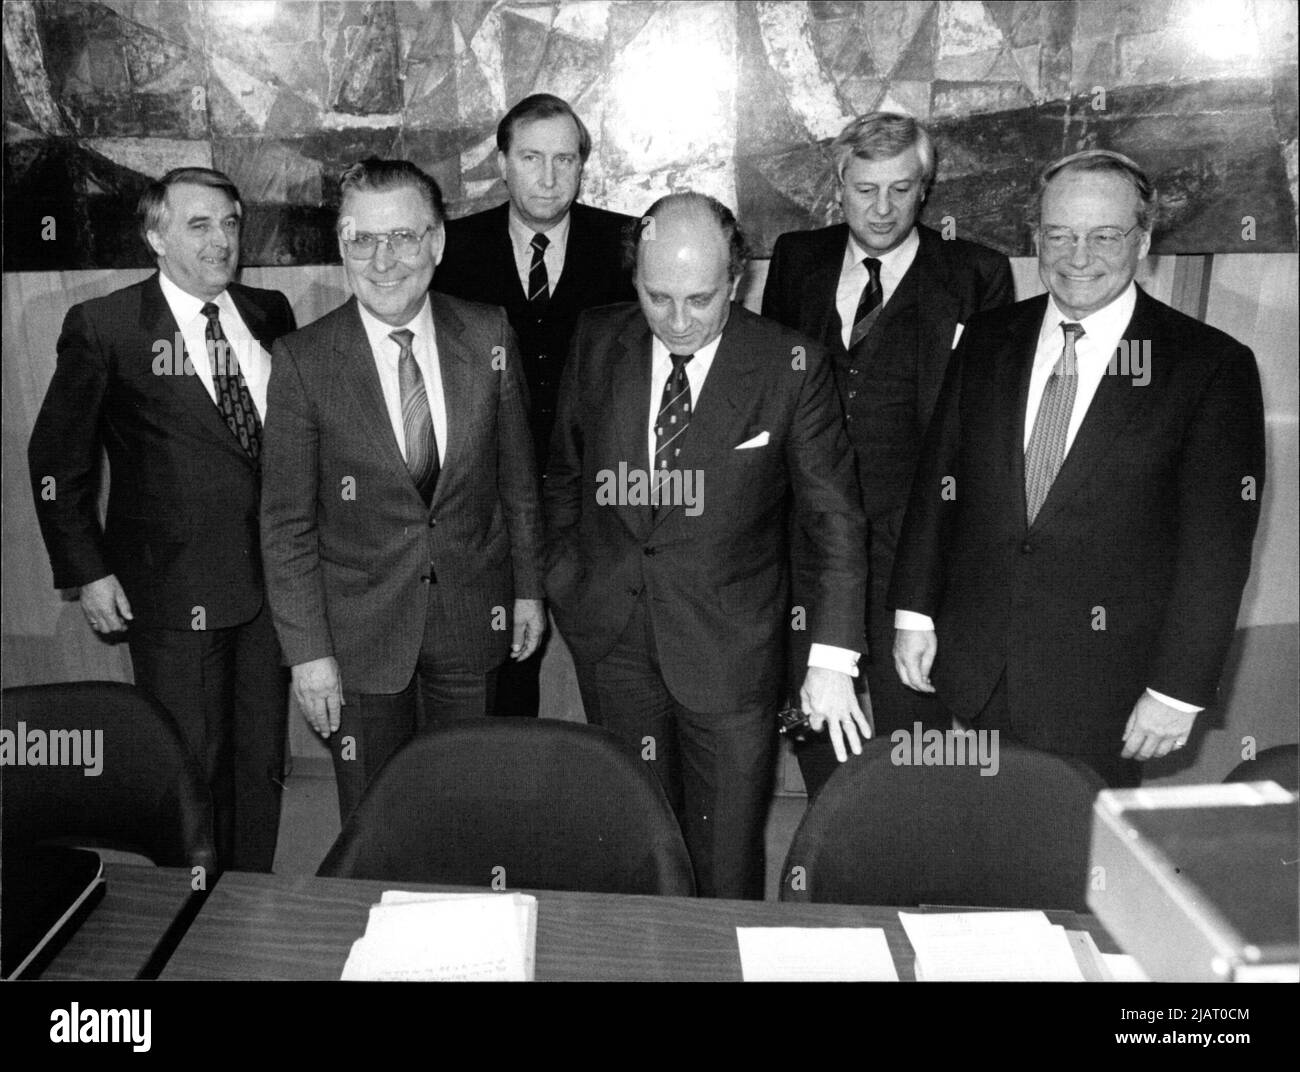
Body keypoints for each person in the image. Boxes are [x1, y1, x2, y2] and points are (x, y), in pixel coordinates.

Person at [889, 149, 1265, 788]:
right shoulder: (986, 338)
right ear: (1036, 237)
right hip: (976, 671)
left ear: (1143, 241)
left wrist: (1178, 690)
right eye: (1058, 235)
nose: (1077, 256)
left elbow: (1217, 551)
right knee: (979, 860)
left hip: (1105, 692)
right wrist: (914, 614)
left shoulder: (1207, 367)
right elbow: (938, 489)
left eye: (1104, 236)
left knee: (1074, 874)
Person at [544, 192, 869, 898]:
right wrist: (566, 581)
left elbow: (834, 521)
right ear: (634, 282)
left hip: (730, 649)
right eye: (657, 298)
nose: (679, 321)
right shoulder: (599, 340)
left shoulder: (791, 364)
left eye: (700, 298)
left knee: (724, 851)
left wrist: (833, 657)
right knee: (638, 837)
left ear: (737, 279)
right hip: (615, 639)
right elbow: (564, 476)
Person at [28, 166, 296, 872]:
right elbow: (58, 460)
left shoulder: (269, 313)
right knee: (194, 761)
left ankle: (251, 892)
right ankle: (197, 905)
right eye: (199, 225)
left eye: (231, 223)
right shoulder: (107, 326)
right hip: (172, 591)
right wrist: (87, 572)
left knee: (262, 758)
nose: (221, 241)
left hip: (273, 588)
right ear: (156, 235)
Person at [260, 159, 544, 823]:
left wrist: (529, 589)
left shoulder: (489, 333)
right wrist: (309, 655)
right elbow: (285, 524)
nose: (383, 260)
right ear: (342, 246)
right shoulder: (303, 361)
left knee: (466, 807)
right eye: (363, 240)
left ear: (438, 243)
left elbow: (517, 481)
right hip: (358, 640)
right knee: (375, 817)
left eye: (404, 238)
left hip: (474, 620)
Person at [761, 113, 1014, 798]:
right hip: (810, 558)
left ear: (925, 188)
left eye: (901, 189)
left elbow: (981, 436)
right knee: (818, 739)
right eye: (865, 188)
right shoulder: (796, 260)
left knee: (916, 758)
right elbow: (769, 397)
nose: (882, 208)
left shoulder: (975, 275)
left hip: (919, 564)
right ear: (838, 183)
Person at [433, 92, 637, 720]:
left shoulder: (628, 243)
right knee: (503, 665)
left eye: (566, 159)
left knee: (620, 669)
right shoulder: (452, 249)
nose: (550, 177)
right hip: (490, 498)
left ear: (583, 165)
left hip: (601, 495)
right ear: (502, 163)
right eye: (531, 157)